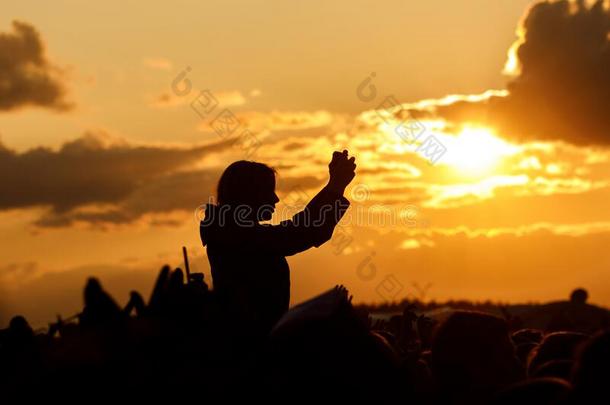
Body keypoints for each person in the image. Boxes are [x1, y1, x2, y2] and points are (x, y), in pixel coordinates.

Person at [200, 150, 355, 336]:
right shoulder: (235, 234)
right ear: (248, 194)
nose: (275, 199)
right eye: (268, 191)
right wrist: (335, 185)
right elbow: (299, 233)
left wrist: (335, 186)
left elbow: (297, 231)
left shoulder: (228, 231)